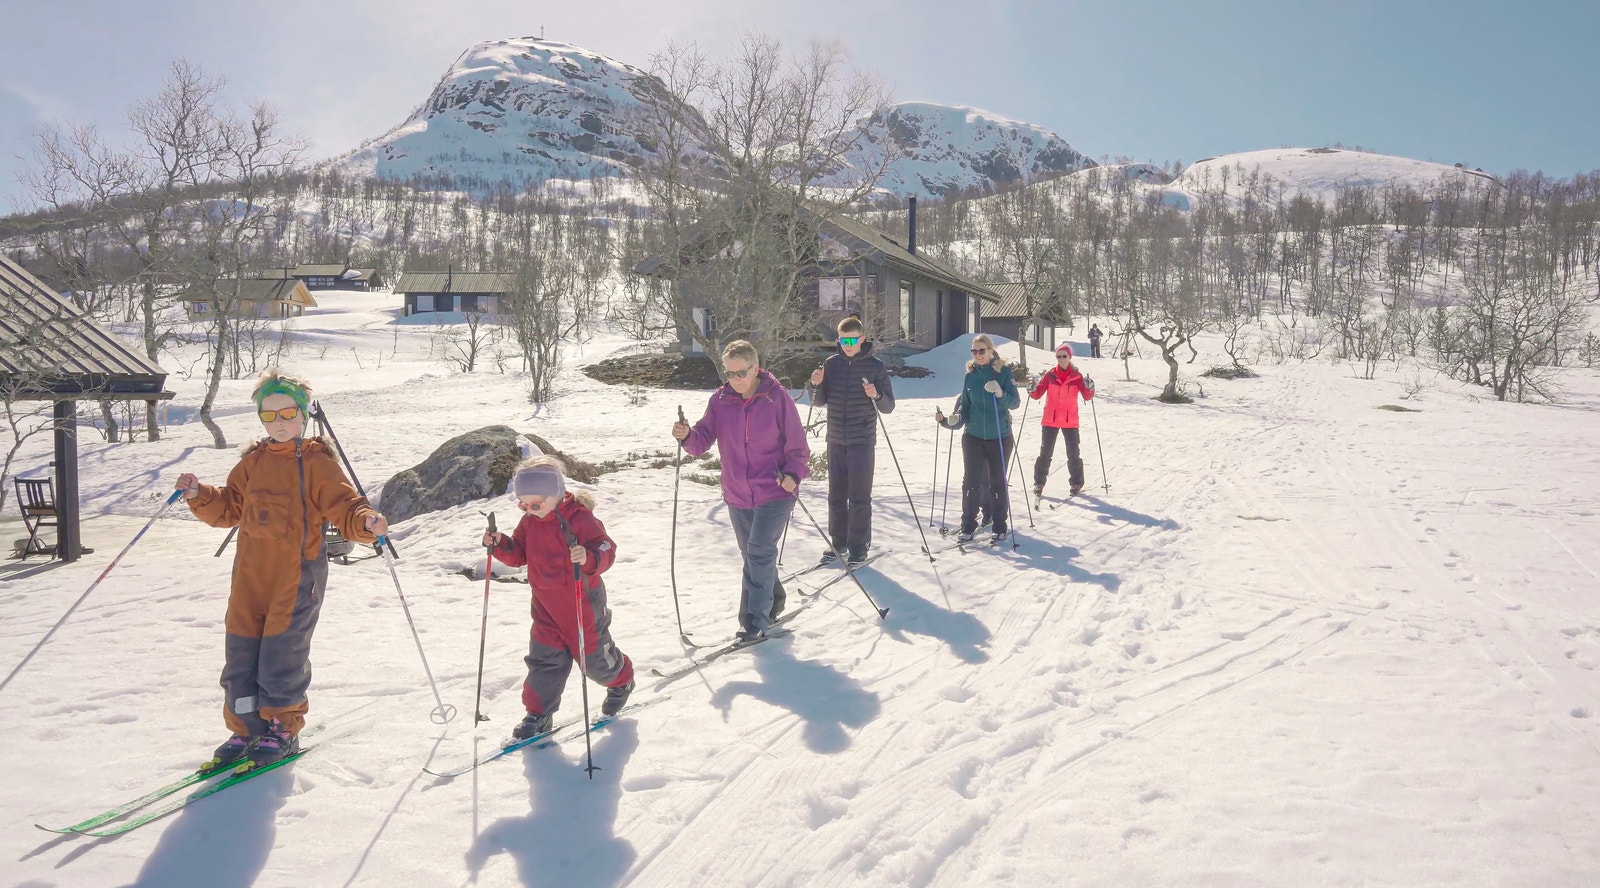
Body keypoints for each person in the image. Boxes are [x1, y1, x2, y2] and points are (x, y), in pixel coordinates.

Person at [176, 370, 387, 771]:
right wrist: (198, 494)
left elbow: (344, 504)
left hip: (296, 575)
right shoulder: (253, 462)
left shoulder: (317, 463)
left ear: (303, 414)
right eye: (269, 415)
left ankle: (282, 727)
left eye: (287, 413)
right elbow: (230, 508)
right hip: (250, 575)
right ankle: (246, 728)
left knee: (281, 654)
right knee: (241, 653)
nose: (278, 423)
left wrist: (365, 521)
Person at [484, 455, 635, 740]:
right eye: (523, 505)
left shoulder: (580, 518)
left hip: (582, 604)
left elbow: (607, 547)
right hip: (545, 607)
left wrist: (589, 556)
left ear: (554, 494)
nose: (529, 510)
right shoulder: (530, 522)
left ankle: (622, 678)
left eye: (536, 505)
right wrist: (500, 544)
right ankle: (539, 714)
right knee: (544, 661)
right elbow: (519, 553)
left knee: (596, 663)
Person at [673, 340, 810, 642]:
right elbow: (701, 440)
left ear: (755, 368)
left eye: (741, 373)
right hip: (737, 492)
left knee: (759, 551)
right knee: (752, 555)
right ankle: (774, 599)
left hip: (775, 489)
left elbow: (799, 447)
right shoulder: (721, 400)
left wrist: (793, 474)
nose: (735, 380)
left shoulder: (776, 398)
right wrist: (687, 435)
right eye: (729, 373)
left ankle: (753, 621)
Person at [808, 315, 895, 567]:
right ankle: (839, 542)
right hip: (835, 437)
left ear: (862, 339)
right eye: (842, 340)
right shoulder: (831, 364)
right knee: (836, 495)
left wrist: (876, 395)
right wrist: (815, 384)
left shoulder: (875, 366)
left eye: (851, 340)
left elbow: (889, 406)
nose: (846, 345)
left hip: (862, 438)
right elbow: (818, 401)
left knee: (859, 496)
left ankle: (858, 545)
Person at [934, 334, 1020, 544]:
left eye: (982, 350)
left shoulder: (1003, 372)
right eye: (974, 351)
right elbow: (965, 404)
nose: (978, 355)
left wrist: (1000, 393)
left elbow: (1015, 402)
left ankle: (999, 526)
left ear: (991, 351)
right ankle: (968, 525)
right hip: (973, 436)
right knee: (970, 482)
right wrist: (956, 417)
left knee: (997, 482)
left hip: (999, 435)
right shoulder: (970, 376)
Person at [1030, 343, 1096, 498]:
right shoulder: (1050, 375)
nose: (1061, 359)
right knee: (1045, 452)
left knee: (1073, 453)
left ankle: (1076, 482)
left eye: (1064, 356)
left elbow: (1087, 396)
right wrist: (1031, 389)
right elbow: (1037, 394)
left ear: (1069, 357)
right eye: (1058, 356)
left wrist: (1090, 387)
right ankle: (1039, 482)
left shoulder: (1077, 377)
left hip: (1069, 420)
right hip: (1050, 420)